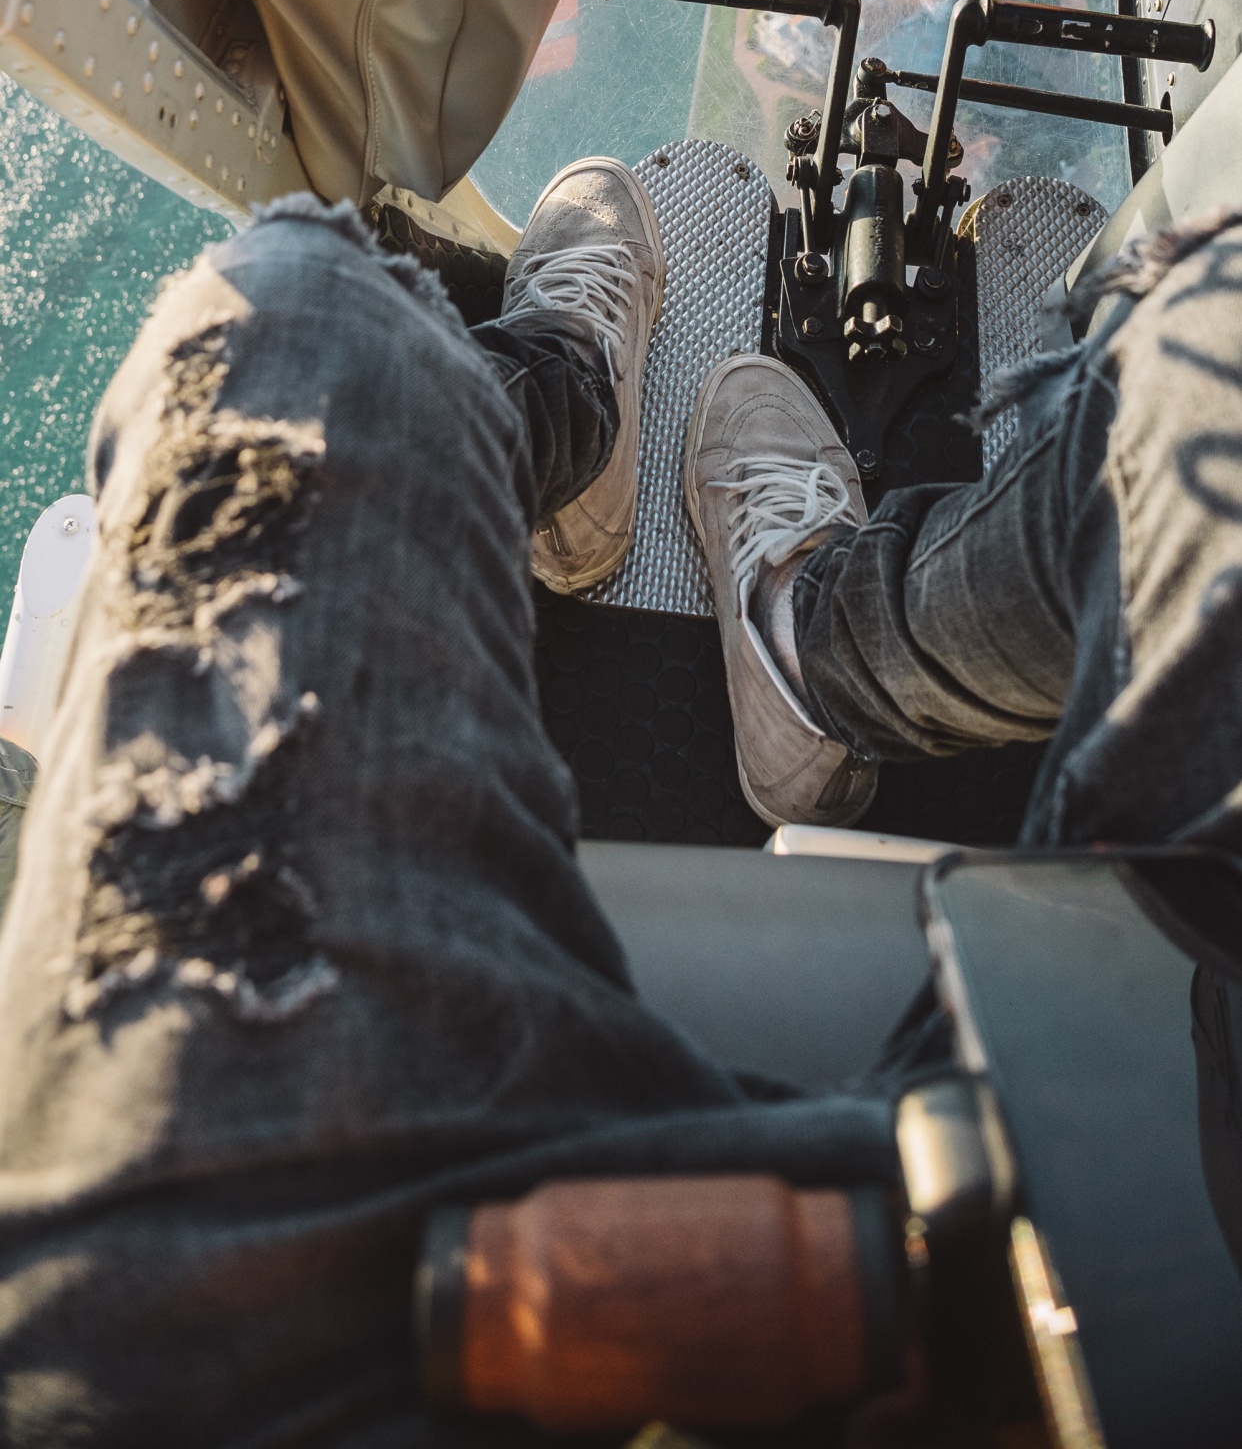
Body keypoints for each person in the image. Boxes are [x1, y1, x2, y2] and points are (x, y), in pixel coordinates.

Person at [0, 159, 1239, 1444]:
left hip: (226, 1372)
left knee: (286, 328)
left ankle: (576, 409)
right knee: (1219, 373)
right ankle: (806, 647)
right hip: (1133, 1224)